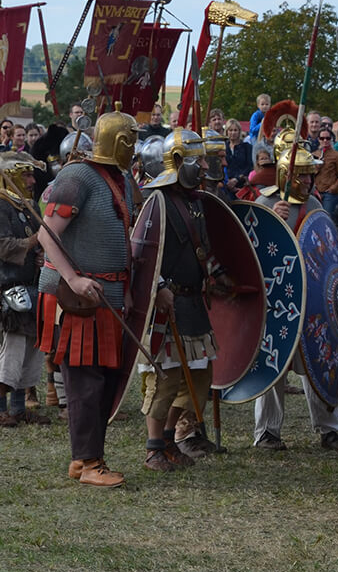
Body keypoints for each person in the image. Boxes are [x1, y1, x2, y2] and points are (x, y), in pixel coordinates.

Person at [36, 109, 139, 487]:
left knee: (105, 379)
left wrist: (126, 288)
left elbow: (122, 239)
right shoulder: (77, 176)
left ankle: (87, 460)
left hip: (107, 294)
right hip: (76, 297)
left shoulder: (121, 179)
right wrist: (74, 278)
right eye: (132, 138)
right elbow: (46, 235)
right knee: (84, 380)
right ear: (120, 140)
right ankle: (88, 462)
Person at [252, 144, 338, 452]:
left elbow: (325, 252)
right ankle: (267, 432)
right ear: (285, 175)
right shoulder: (266, 202)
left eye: (311, 175)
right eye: (302, 175)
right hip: (277, 300)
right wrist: (271, 219)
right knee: (274, 364)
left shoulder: (316, 208)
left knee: (317, 361)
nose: (308, 181)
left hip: (311, 301)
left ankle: (329, 429)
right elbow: (253, 252)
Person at [141, 129, 229, 467]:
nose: (206, 165)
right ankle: (153, 449)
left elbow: (202, 250)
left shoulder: (194, 201)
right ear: (178, 162)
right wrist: (160, 286)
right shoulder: (157, 201)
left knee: (201, 376)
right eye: (199, 159)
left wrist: (220, 276)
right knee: (166, 377)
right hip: (167, 303)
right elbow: (143, 255)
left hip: (192, 302)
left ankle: (168, 439)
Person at [0, 153, 50, 429]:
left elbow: (30, 246)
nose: (31, 181)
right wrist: (34, 240)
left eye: (31, 175)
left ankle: (19, 409)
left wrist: (38, 253)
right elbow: (4, 248)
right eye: (26, 175)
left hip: (29, 287)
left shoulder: (23, 206)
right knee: (11, 349)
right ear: (11, 176)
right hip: (5, 290)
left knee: (30, 350)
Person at [314, 126, 338, 218]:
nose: (325, 140)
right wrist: (317, 167)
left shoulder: (337, 155)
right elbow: (311, 174)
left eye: (327, 138)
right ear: (318, 139)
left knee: (327, 217)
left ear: (331, 139)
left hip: (329, 193)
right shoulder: (314, 154)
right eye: (322, 138)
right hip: (317, 192)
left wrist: (334, 188)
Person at [223, 119, 253, 196]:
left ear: (239, 131)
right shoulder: (223, 147)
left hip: (242, 185)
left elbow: (250, 166)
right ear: (227, 131)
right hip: (226, 185)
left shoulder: (247, 147)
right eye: (230, 130)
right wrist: (227, 182)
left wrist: (237, 179)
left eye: (235, 130)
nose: (233, 133)